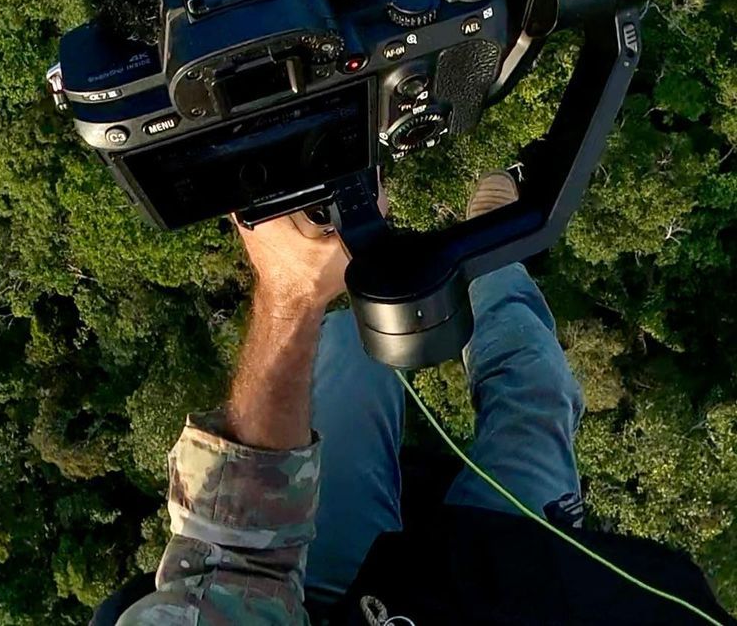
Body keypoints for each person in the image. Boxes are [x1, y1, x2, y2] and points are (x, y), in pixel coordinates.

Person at [101, 172, 736, 626]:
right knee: (534, 398)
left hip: (322, 601)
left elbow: (237, 566)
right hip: (506, 592)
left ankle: (367, 238)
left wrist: (294, 294)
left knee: (350, 344)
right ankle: (489, 252)